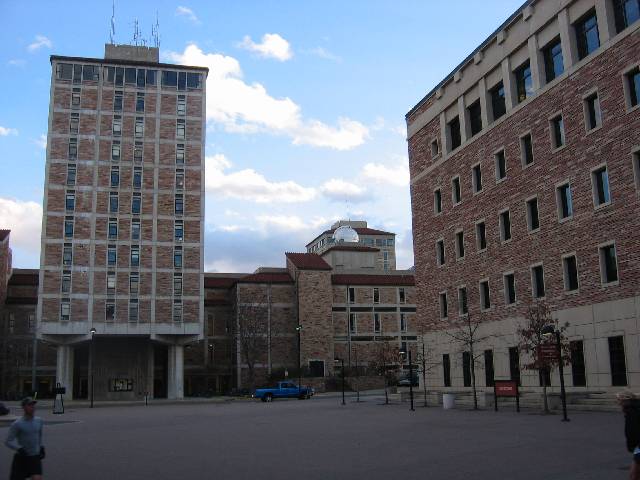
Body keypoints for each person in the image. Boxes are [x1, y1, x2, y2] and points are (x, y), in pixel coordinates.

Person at [5, 397, 45, 480]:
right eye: (29, 405)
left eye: (33, 405)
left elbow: (39, 435)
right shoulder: (17, 424)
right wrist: (19, 448)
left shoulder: (39, 421)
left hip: (35, 457)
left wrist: (41, 446)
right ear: (23, 407)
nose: (32, 407)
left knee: (37, 478)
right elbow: (8, 441)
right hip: (22, 458)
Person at [618, 390, 640, 480]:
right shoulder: (632, 410)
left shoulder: (632, 412)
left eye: (619, 400)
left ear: (625, 400)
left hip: (639, 447)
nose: (618, 402)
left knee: (634, 475)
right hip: (638, 447)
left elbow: (634, 432)